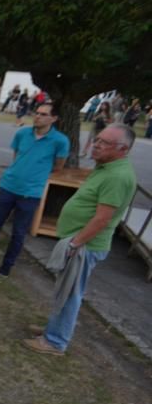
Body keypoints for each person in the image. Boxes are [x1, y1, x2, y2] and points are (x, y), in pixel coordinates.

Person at [24, 124, 137, 355]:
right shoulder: (107, 167)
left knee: (70, 294)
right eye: (97, 139)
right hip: (79, 241)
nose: (96, 144)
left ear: (122, 149)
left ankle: (55, 341)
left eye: (104, 143)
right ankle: (52, 330)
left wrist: (75, 243)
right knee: (64, 290)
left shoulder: (117, 176)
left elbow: (102, 219)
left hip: (85, 246)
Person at [0, 102, 69, 276]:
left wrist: (36, 175)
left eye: (43, 114)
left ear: (54, 118)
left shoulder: (60, 141)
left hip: (31, 193)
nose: (38, 116)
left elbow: (58, 166)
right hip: (9, 186)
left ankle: (6, 266)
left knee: (18, 232)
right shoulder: (23, 133)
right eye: (37, 113)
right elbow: (17, 155)